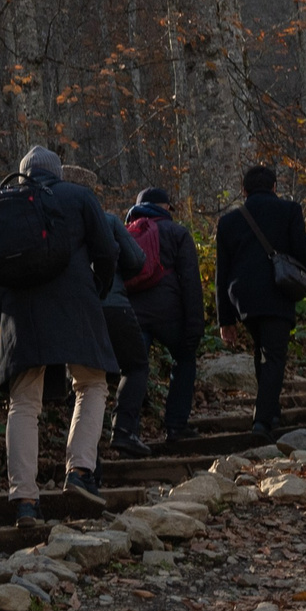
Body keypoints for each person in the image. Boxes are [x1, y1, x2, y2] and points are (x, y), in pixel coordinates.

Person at [0, 146, 141, 523]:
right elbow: (107, 252)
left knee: (23, 403)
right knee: (92, 385)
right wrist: (95, 291)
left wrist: (4, 309)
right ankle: (79, 471)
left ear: (23, 173)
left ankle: (24, 499)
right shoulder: (79, 196)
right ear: (57, 172)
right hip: (76, 307)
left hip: (21, 316)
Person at [215, 165, 306, 436]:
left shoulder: (228, 221)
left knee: (262, 352)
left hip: (242, 298)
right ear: (274, 187)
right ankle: (261, 420)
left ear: (244, 190)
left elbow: (222, 272)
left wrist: (225, 320)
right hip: (277, 291)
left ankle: (272, 414)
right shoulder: (289, 210)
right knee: (274, 356)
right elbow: (303, 252)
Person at [61, 163, 150, 459]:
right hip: (113, 306)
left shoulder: (50, 221)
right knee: (135, 365)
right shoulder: (107, 220)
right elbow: (136, 260)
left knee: (82, 382)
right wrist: (114, 276)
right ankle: (124, 430)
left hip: (71, 312)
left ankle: (86, 456)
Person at [118, 186, 205, 448]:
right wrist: (194, 325)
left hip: (133, 312)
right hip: (170, 314)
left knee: (134, 368)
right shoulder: (177, 232)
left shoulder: (124, 232)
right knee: (184, 358)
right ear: (164, 207)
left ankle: (124, 430)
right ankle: (176, 426)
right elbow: (190, 281)